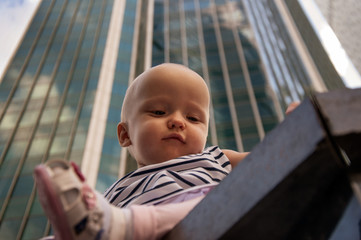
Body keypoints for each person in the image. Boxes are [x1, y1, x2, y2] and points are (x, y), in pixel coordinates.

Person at [34, 63, 292, 240]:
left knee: (224, 194)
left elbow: (268, 161)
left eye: (193, 118)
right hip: (115, 226)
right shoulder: (113, 193)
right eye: (159, 112)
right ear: (125, 135)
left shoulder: (214, 158)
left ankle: (128, 227)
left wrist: (294, 132)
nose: (178, 121)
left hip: (210, 225)